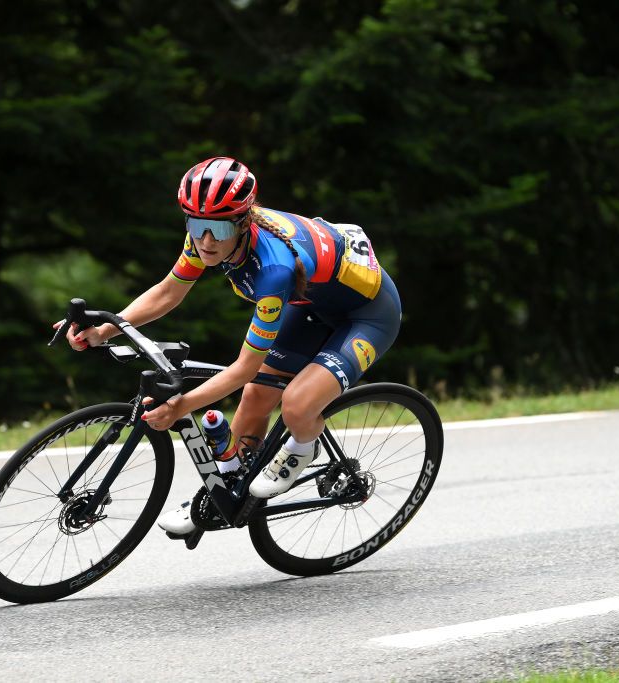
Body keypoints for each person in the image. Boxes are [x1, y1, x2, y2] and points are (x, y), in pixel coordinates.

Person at [61, 156, 402, 536]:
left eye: (217, 229)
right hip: (312, 306)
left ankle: (305, 447)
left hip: (366, 315)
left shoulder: (274, 270)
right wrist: (106, 329)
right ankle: (225, 492)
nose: (206, 241)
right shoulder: (209, 234)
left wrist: (182, 406)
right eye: (196, 224)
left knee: (296, 403)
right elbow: (169, 292)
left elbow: (243, 368)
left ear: (242, 222)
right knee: (256, 396)